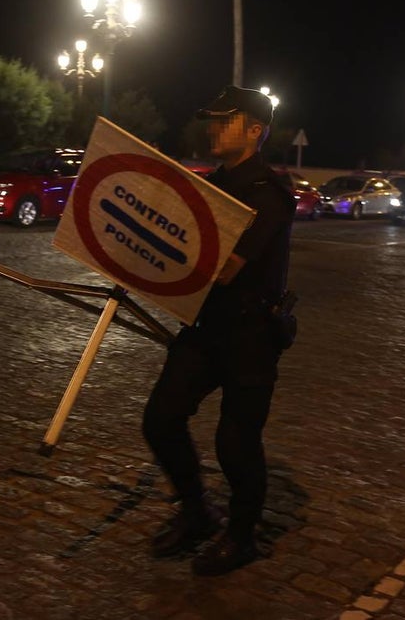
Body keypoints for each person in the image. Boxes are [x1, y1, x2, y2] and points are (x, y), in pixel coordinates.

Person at [141, 85, 296, 577]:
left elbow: (227, 266)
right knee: (161, 419)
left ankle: (242, 536)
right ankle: (197, 513)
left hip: (251, 336)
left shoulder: (268, 194)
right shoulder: (212, 186)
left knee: (236, 443)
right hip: (205, 327)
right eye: (211, 119)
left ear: (254, 130)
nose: (212, 127)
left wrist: (156, 250)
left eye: (224, 120)